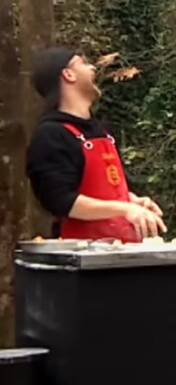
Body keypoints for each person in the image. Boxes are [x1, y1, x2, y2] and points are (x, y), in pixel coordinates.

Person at [24, 47, 166, 242]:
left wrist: (132, 201)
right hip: (84, 258)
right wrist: (124, 208)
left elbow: (104, 188)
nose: (92, 68)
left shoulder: (102, 131)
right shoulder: (51, 135)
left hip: (121, 251)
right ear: (68, 74)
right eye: (83, 63)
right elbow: (61, 201)